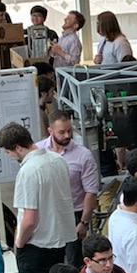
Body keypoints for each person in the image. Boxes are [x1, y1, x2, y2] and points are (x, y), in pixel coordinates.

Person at [0, 121, 76, 273]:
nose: (10, 156)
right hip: (59, 242)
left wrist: (19, 243)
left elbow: (30, 219)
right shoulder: (58, 160)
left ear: (17, 148)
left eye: (8, 152)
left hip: (36, 245)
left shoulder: (28, 171)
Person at [36, 109, 101, 258]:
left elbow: (91, 192)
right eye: (61, 132)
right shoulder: (38, 151)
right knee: (49, 260)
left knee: (73, 262)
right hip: (47, 214)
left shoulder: (83, 155)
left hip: (73, 215)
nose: (67, 136)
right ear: (50, 131)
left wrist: (84, 222)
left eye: (69, 131)